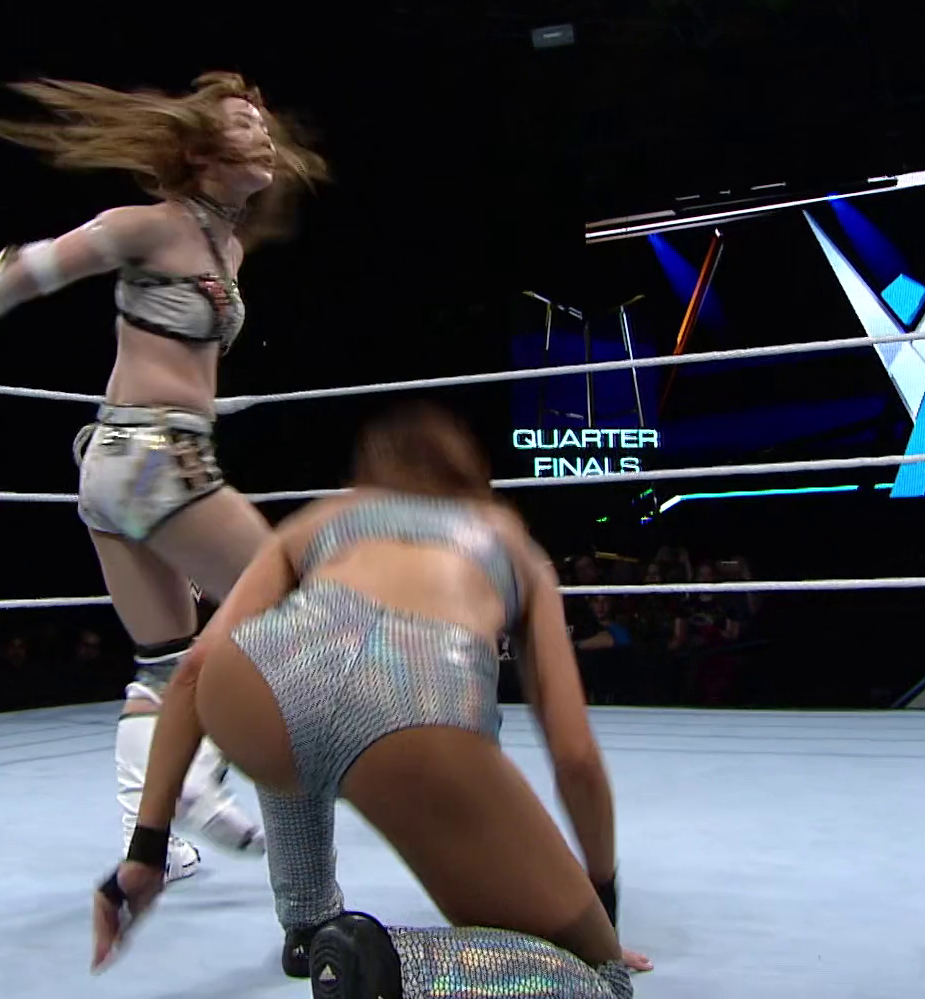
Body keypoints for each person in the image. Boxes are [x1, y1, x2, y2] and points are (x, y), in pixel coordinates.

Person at [0, 71, 330, 881]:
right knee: (291, 609)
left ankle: (151, 840)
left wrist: (206, 403)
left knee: (163, 662)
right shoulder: (152, 224)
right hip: (154, 460)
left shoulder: (227, 246)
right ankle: (202, 773)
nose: (264, 135)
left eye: (264, 122)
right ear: (200, 151)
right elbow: (22, 270)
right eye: (244, 123)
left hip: (125, 462)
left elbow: (169, 351)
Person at [91, 402, 651, 996]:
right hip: (415, 700)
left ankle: (308, 924)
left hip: (253, 682)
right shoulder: (511, 543)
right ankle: (388, 965)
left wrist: (145, 851)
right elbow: (574, 756)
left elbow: (192, 673)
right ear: (474, 480)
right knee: (601, 981)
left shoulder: (325, 517)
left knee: (293, 682)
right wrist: (599, 904)